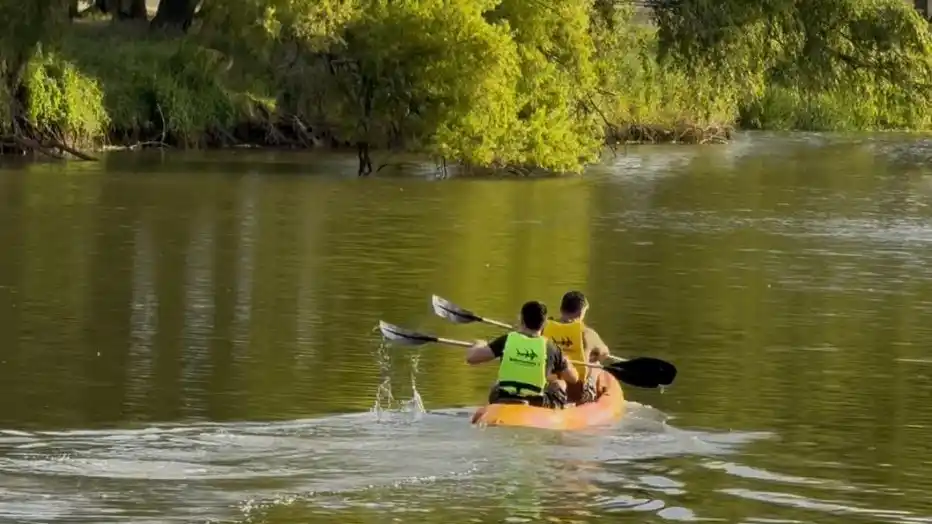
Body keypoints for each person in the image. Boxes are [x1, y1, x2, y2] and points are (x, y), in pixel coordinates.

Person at [466, 300, 580, 409]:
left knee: (497, 383)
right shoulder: (551, 347)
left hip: (503, 398)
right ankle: (556, 411)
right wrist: (564, 360)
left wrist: (479, 344)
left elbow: (472, 358)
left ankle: (497, 407)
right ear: (545, 323)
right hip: (537, 402)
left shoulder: (507, 339)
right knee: (560, 383)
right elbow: (573, 378)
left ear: (521, 319)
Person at [542, 290, 613, 404]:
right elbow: (604, 353)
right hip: (575, 388)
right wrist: (593, 355)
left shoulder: (544, 327)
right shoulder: (587, 333)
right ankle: (589, 389)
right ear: (581, 312)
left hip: (547, 382)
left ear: (561, 309)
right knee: (596, 364)